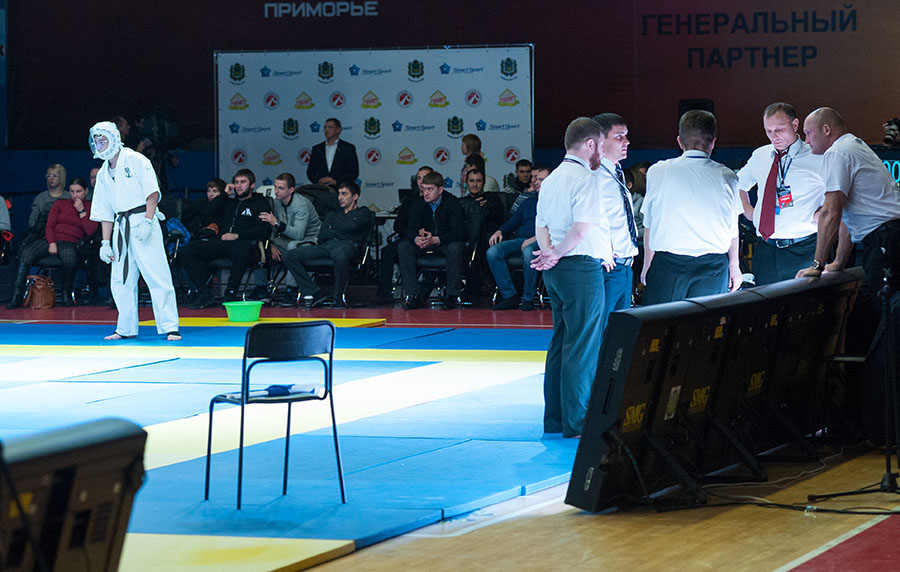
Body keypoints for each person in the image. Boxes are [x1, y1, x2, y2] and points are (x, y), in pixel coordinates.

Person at [531, 117, 613, 438]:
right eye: (601, 145)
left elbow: (541, 225)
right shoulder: (586, 179)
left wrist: (548, 253)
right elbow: (581, 230)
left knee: (561, 341)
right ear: (590, 144)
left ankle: (554, 419)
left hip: (557, 269)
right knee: (582, 345)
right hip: (579, 267)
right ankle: (577, 422)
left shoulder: (551, 179)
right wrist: (555, 252)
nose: (602, 151)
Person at [87, 121, 180, 340]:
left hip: (142, 219)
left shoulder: (135, 159)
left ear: (114, 139)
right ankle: (125, 328)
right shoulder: (103, 172)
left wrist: (148, 220)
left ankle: (170, 326)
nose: (100, 145)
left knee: (156, 274)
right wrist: (105, 243)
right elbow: (104, 211)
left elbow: (152, 193)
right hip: (121, 226)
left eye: (103, 140)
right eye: (97, 141)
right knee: (120, 279)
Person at [797, 107, 900, 303]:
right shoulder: (852, 144)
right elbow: (845, 215)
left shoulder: (837, 153)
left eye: (808, 133)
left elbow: (830, 213)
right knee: (869, 310)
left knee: (886, 312)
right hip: (887, 238)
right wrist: (838, 262)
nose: (806, 140)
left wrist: (817, 266)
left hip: (885, 240)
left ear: (826, 129)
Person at [640, 110, 742, 305]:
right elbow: (732, 229)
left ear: (679, 141)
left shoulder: (657, 171)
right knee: (706, 324)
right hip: (712, 268)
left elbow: (649, 224)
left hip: (667, 267)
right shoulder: (728, 176)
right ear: (713, 142)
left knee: (661, 322)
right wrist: (734, 265)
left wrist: (647, 264)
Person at [737, 103, 827, 285]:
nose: (774, 136)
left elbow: (842, 190)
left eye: (779, 129)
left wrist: (825, 211)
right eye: (768, 131)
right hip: (765, 248)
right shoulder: (761, 155)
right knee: (765, 300)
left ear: (795, 125)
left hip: (804, 247)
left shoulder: (817, 156)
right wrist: (746, 209)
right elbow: (737, 184)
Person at [182, 169, 272, 308]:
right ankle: (204, 292)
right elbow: (207, 214)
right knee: (187, 250)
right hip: (221, 241)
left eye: (243, 182)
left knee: (242, 249)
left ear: (252, 185)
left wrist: (237, 235)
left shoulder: (260, 203)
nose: (239, 186)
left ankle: (230, 293)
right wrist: (224, 195)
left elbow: (264, 229)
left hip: (243, 243)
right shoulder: (228, 202)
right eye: (236, 182)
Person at [6, 178, 99, 308]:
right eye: (72, 191)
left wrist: (82, 211)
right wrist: (52, 242)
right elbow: (49, 226)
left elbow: (90, 231)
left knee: (69, 256)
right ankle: (17, 296)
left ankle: (66, 295)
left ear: (86, 191)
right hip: (51, 238)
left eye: (78, 191)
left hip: (71, 240)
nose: (75, 195)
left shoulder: (91, 206)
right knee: (27, 253)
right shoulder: (60, 204)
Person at [281, 181, 372, 308]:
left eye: (344, 194)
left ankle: (338, 298)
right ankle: (314, 292)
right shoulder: (333, 213)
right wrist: (343, 229)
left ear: (355, 196)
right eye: (339, 194)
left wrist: (334, 228)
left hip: (348, 246)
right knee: (288, 255)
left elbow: (354, 225)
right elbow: (323, 234)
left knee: (340, 255)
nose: (339, 197)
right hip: (326, 245)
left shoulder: (363, 212)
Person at [593, 113, 640, 334]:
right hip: (606, 267)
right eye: (619, 136)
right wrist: (602, 250)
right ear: (600, 141)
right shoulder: (593, 175)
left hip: (624, 265)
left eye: (626, 136)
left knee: (619, 334)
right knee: (602, 333)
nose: (626, 142)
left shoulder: (616, 171)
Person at [398, 170, 468, 310]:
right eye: (424, 189)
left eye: (430, 189)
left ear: (440, 189)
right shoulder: (419, 203)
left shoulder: (452, 203)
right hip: (425, 244)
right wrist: (416, 239)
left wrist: (436, 239)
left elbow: (459, 232)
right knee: (404, 246)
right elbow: (410, 230)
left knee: (456, 247)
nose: (426, 193)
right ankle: (413, 294)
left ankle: (452, 294)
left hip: (443, 243)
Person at [487, 164, 550, 310]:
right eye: (535, 179)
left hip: (542, 241)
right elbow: (512, 222)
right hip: (522, 240)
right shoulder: (528, 202)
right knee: (493, 252)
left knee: (528, 251)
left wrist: (534, 239)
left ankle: (528, 298)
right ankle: (510, 296)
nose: (535, 182)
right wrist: (500, 231)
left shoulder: (556, 201)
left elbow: (554, 229)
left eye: (540, 179)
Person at [371, 166, 433, 303]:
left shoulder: (438, 200)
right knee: (387, 251)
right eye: (418, 178)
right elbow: (398, 225)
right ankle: (384, 293)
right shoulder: (410, 200)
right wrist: (413, 234)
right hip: (409, 239)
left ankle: (422, 293)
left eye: (424, 178)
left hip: (431, 240)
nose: (421, 181)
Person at [259, 172, 321, 302]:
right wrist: (271, 244)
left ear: (291, 190)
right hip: (286, 237)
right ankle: (261, 289)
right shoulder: (276, 202)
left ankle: (291, 290)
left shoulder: (301, 204)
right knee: (262, 243)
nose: (276, 191)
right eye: (275, 187)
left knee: (293, 247)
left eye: (281, 188)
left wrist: (277, 223)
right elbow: (273, 230)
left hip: (310, 239)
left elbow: (298, 235)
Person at [460, 168, 506, 303]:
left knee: (480, 246)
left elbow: (498, 220)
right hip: (467, 240)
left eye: (478, 181)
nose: (475, 184)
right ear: (466, 183)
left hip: (489, 239)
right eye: (471, 181)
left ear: (484, 183)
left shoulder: (493, 199)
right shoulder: (461, 202)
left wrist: (486, 207)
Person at [306, 118, 359, 189]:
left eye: (330, 127)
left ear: (338, 130)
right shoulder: (317, 149)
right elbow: (310, 171)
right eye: (325, 127)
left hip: (341, 189)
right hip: (321, 190)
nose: (326, 130)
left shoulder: (348, 148)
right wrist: (319, 180)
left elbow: (353, 171)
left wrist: (336, 181)